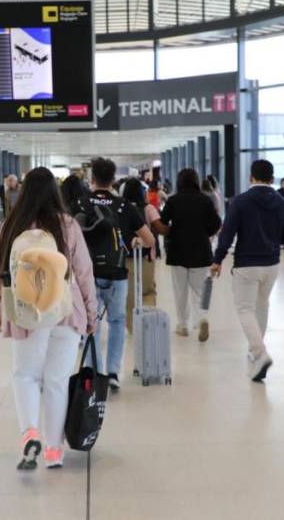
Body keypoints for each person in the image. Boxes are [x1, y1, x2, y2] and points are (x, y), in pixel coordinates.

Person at [0, 167, 97, 470]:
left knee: (26, 376)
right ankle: (53, 451)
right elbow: (84, 273)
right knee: (57, 380)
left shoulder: (10, 226)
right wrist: (91, 313)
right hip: (65, 310)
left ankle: (29, 433)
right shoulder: (67, 225)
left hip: (25, 313)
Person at [210, 160, 284, 382]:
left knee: (245, 309)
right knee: (261, 305)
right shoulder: (282, 203)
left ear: (251, 178)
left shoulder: (240, 201)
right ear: (273, 179)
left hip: (246, 263)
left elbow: (227, 233)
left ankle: (259, 352)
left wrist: (218, 259)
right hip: (272, 264)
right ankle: (254, 349)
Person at [84, 157, 155, 391]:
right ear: (113, 179)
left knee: (91, 323)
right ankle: (113, 372)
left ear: (92, 179)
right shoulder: (124, 206)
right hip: (117, 272)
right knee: (116, 321)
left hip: (87, 274)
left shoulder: (81, 203)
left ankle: (93, 371)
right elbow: (149, 240)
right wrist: (133, 241)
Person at [154, 169, 221, 342]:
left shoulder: (174, 200)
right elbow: (217, 223)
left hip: (178, 251)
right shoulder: (205, 200)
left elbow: (162, 222)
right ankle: (202, 318)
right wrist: (205, 233)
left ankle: (183, 325)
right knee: (200, 291)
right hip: (201, 251)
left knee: (180, 291)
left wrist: (172, 232)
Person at [121, 178, 160, 334]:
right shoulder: (148, 208)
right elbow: (158, 225)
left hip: (125, 257)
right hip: (146, 257)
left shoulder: (120, 209)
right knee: (148, 291)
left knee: (129, 294)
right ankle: (148, 323)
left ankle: (131, 327)